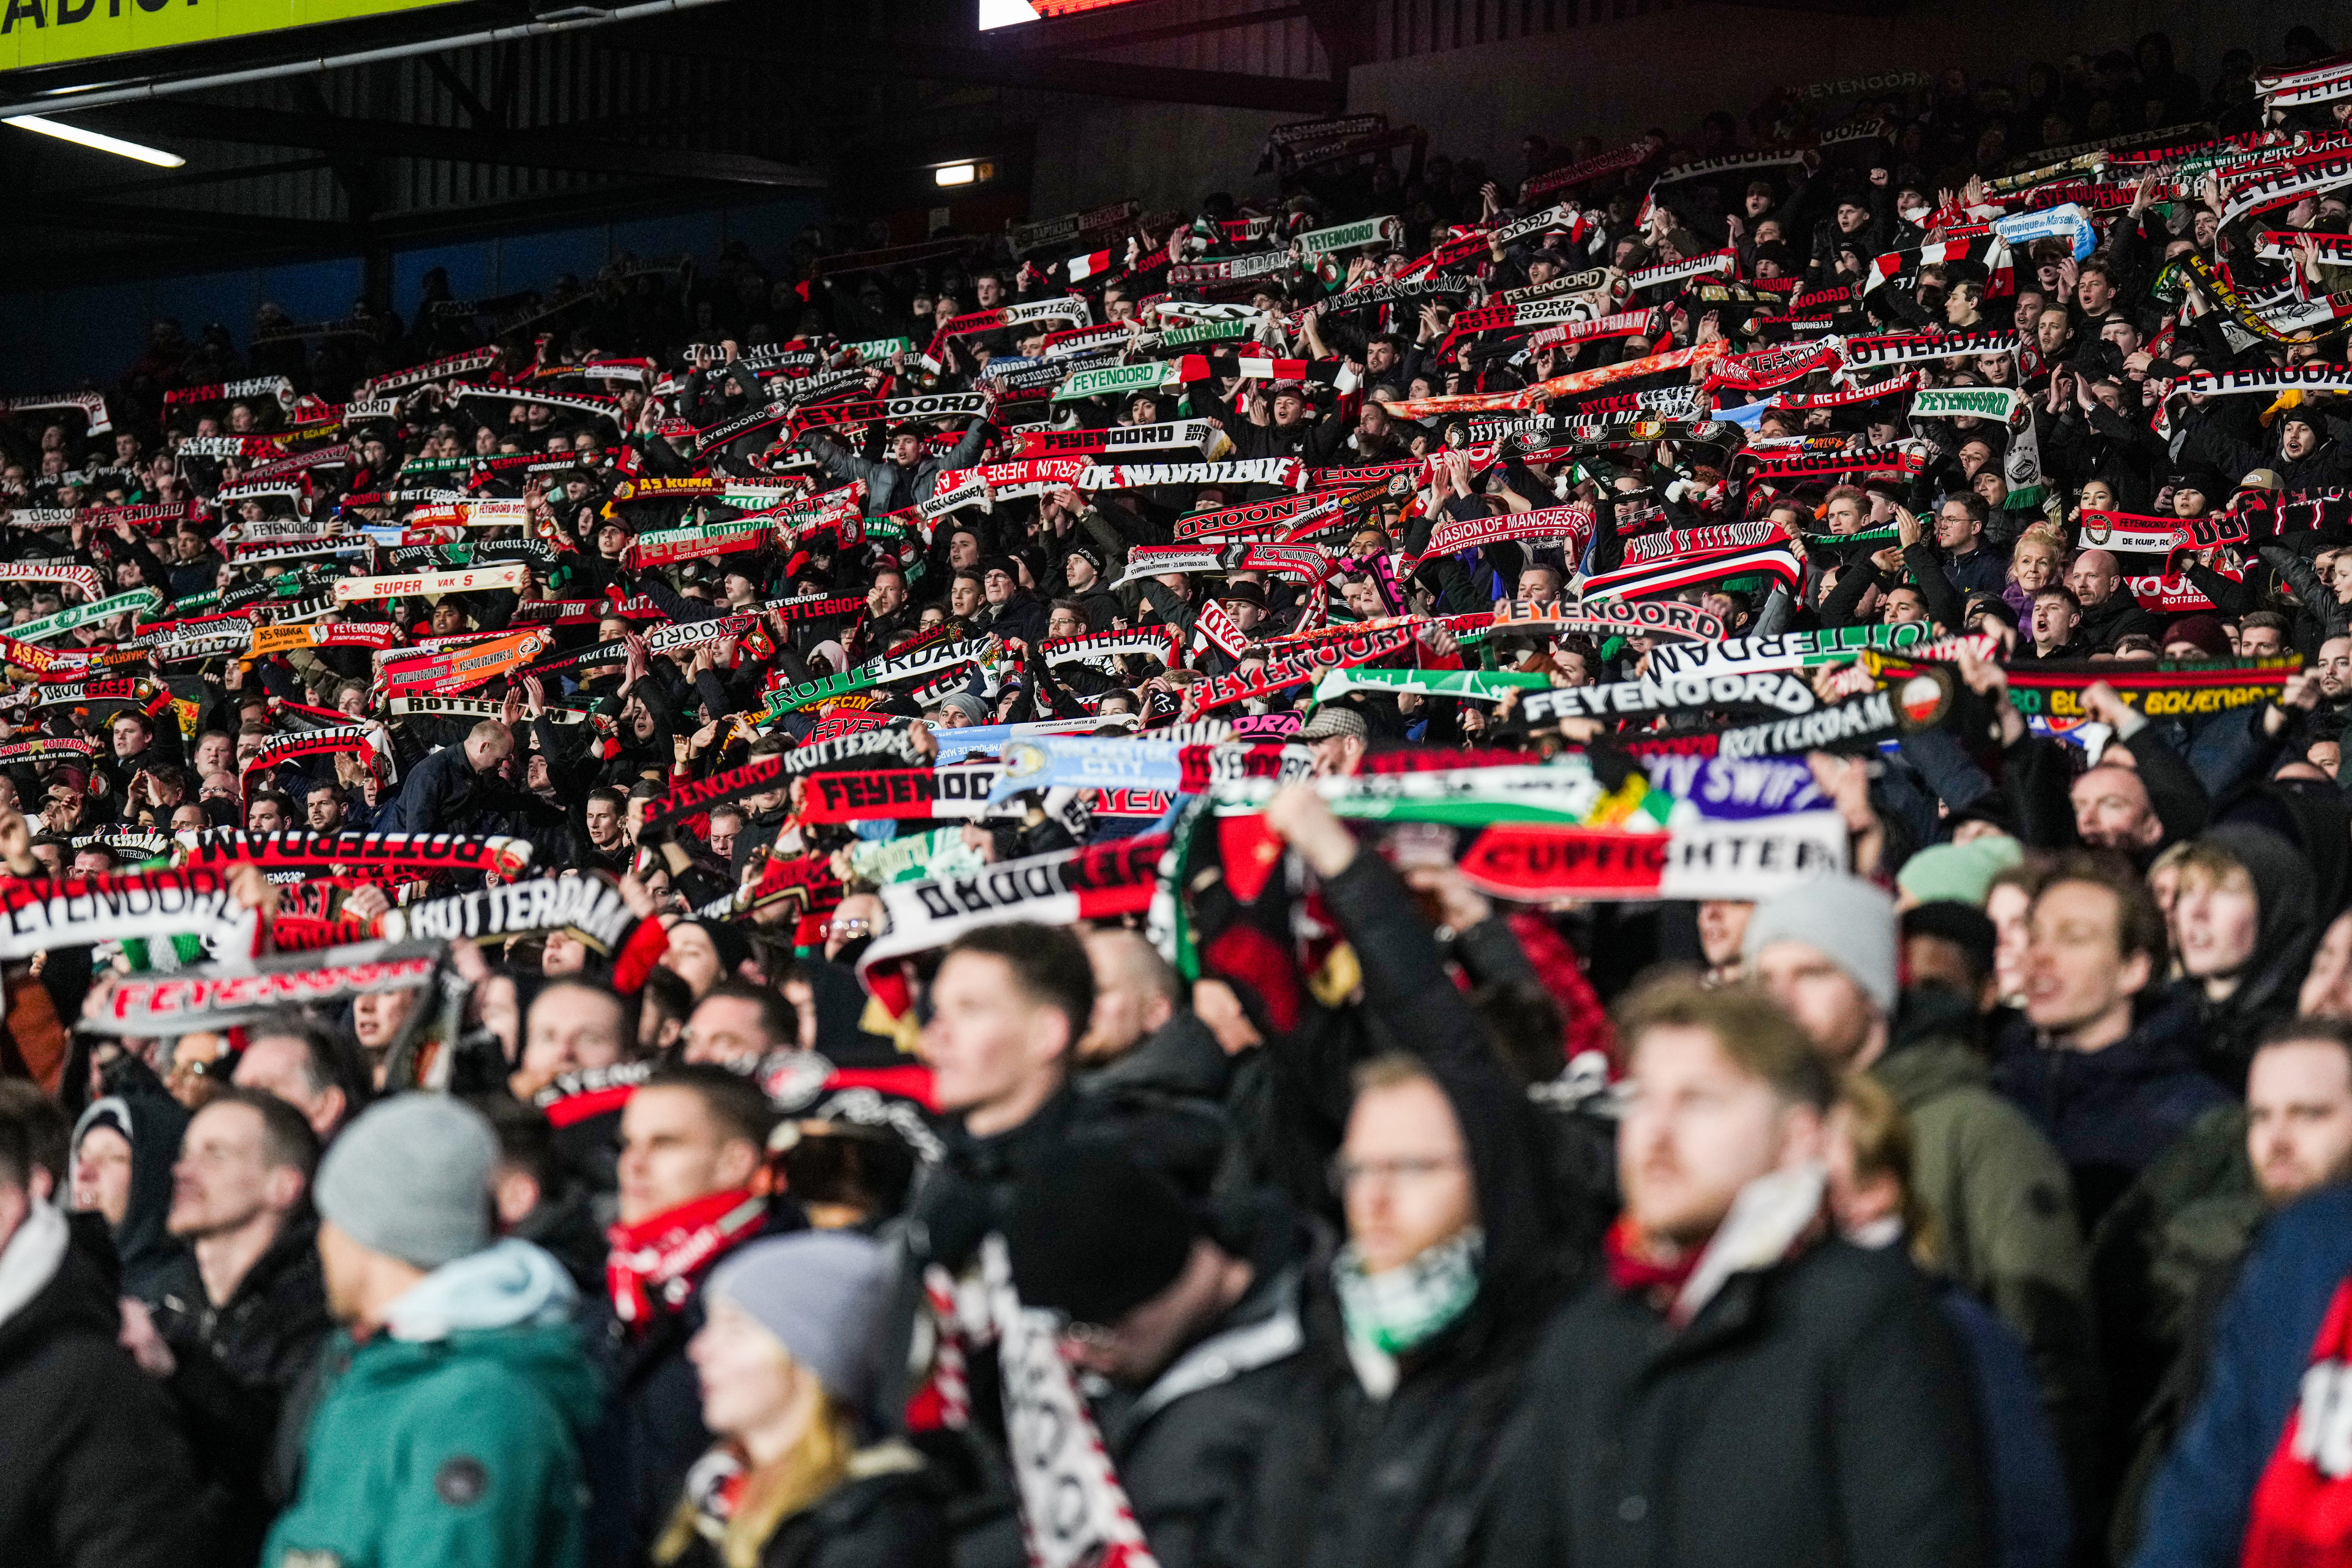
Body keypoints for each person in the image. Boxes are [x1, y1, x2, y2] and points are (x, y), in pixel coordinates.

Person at [1478, 978, 1991, 1568]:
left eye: (1699, 1101)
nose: (1657, 1133)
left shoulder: (1865, 1315)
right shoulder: (1586, 1334)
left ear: (1798, 1139)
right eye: (1640, 1098)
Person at [1744, 880, 2098, 1497]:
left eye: (1811, 973)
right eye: (1766, 979)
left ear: (1874, 989)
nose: (1783, 1001)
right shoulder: (1754, 1137)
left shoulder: (1979, 1130)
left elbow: (2049, 1357)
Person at [263, 1094, 597, 1567]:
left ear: (374, 1232)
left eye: (333, 1219)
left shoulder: (476, 1405)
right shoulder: (380, 1369)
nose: (322, 1240)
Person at [1005, 1141, 1305, 1568]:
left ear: (1149, 1287)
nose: (1074, 1354)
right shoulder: (1128, 1375)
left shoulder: (1300, 1383)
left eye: (1088, 1328)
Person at [590, 1065, 802, 1568]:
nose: (633, 1165)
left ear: (734, 1162)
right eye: (628, 1144)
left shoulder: (779, 1297)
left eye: (664, 1144)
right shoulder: (619, 1286)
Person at [654, 1231, 948, 1568]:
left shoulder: (876, 1527)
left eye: (734, 1330)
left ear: (809, 1361)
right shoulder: (710, 1500)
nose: (699, 1350)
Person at [0, 1097, 203, 1568]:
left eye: (114, 1159)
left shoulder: (94, 1387)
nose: (89, 1175)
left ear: (9, 1207)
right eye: (84, 1159)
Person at [141, 1090, 330, 1568]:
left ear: (283, 1187)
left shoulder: (319, 1313)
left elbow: (284, 1460)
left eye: (215, 1155)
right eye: (185, 1154)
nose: (182, 1171)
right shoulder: (163, 1309)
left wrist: (177, 1371)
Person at [1994, 852, 2230, 1228]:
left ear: (2133, 970)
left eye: (2073, 938)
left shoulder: (2195, 1122)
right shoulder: (1993, 1093)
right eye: (2034, 936)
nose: (2040, 956)